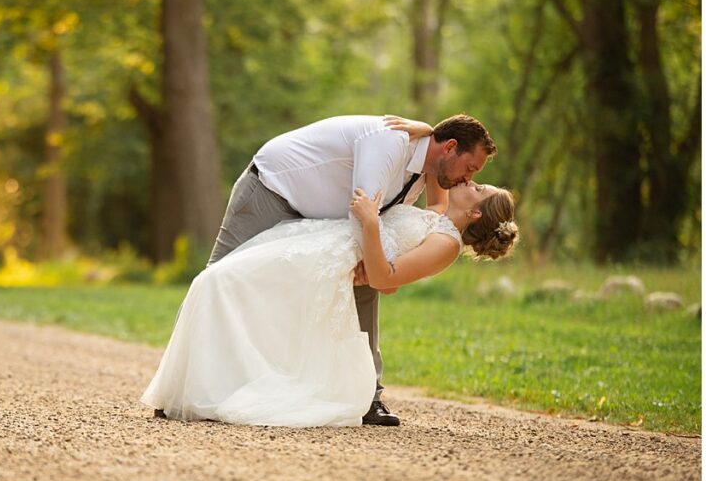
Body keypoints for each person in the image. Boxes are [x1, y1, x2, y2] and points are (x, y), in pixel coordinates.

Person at [140, 179, 518, 427]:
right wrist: (420, 129)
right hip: (316, 241)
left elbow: (386, 280)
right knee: (217, 282)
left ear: (476, 213)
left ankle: (205, 392)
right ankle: (195, 389)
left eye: (479, 187)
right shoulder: (437, 212)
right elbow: (439, 163)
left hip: (324, 264)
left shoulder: (446, 245)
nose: (470, 180)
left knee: (221, 284)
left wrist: (371, 223)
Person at [201, 113, 497, 426]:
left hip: (323, 220)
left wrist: (380, 271)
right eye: (470, 169)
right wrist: (387, 271)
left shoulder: (434, 169)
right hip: (273, 189)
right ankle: (193, 383)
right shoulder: (390, 143)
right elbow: (362, 210)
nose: (468, 179)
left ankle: (368, 397)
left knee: (364, 286)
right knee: (219, 277)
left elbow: (426, 212)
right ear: (450, 148)